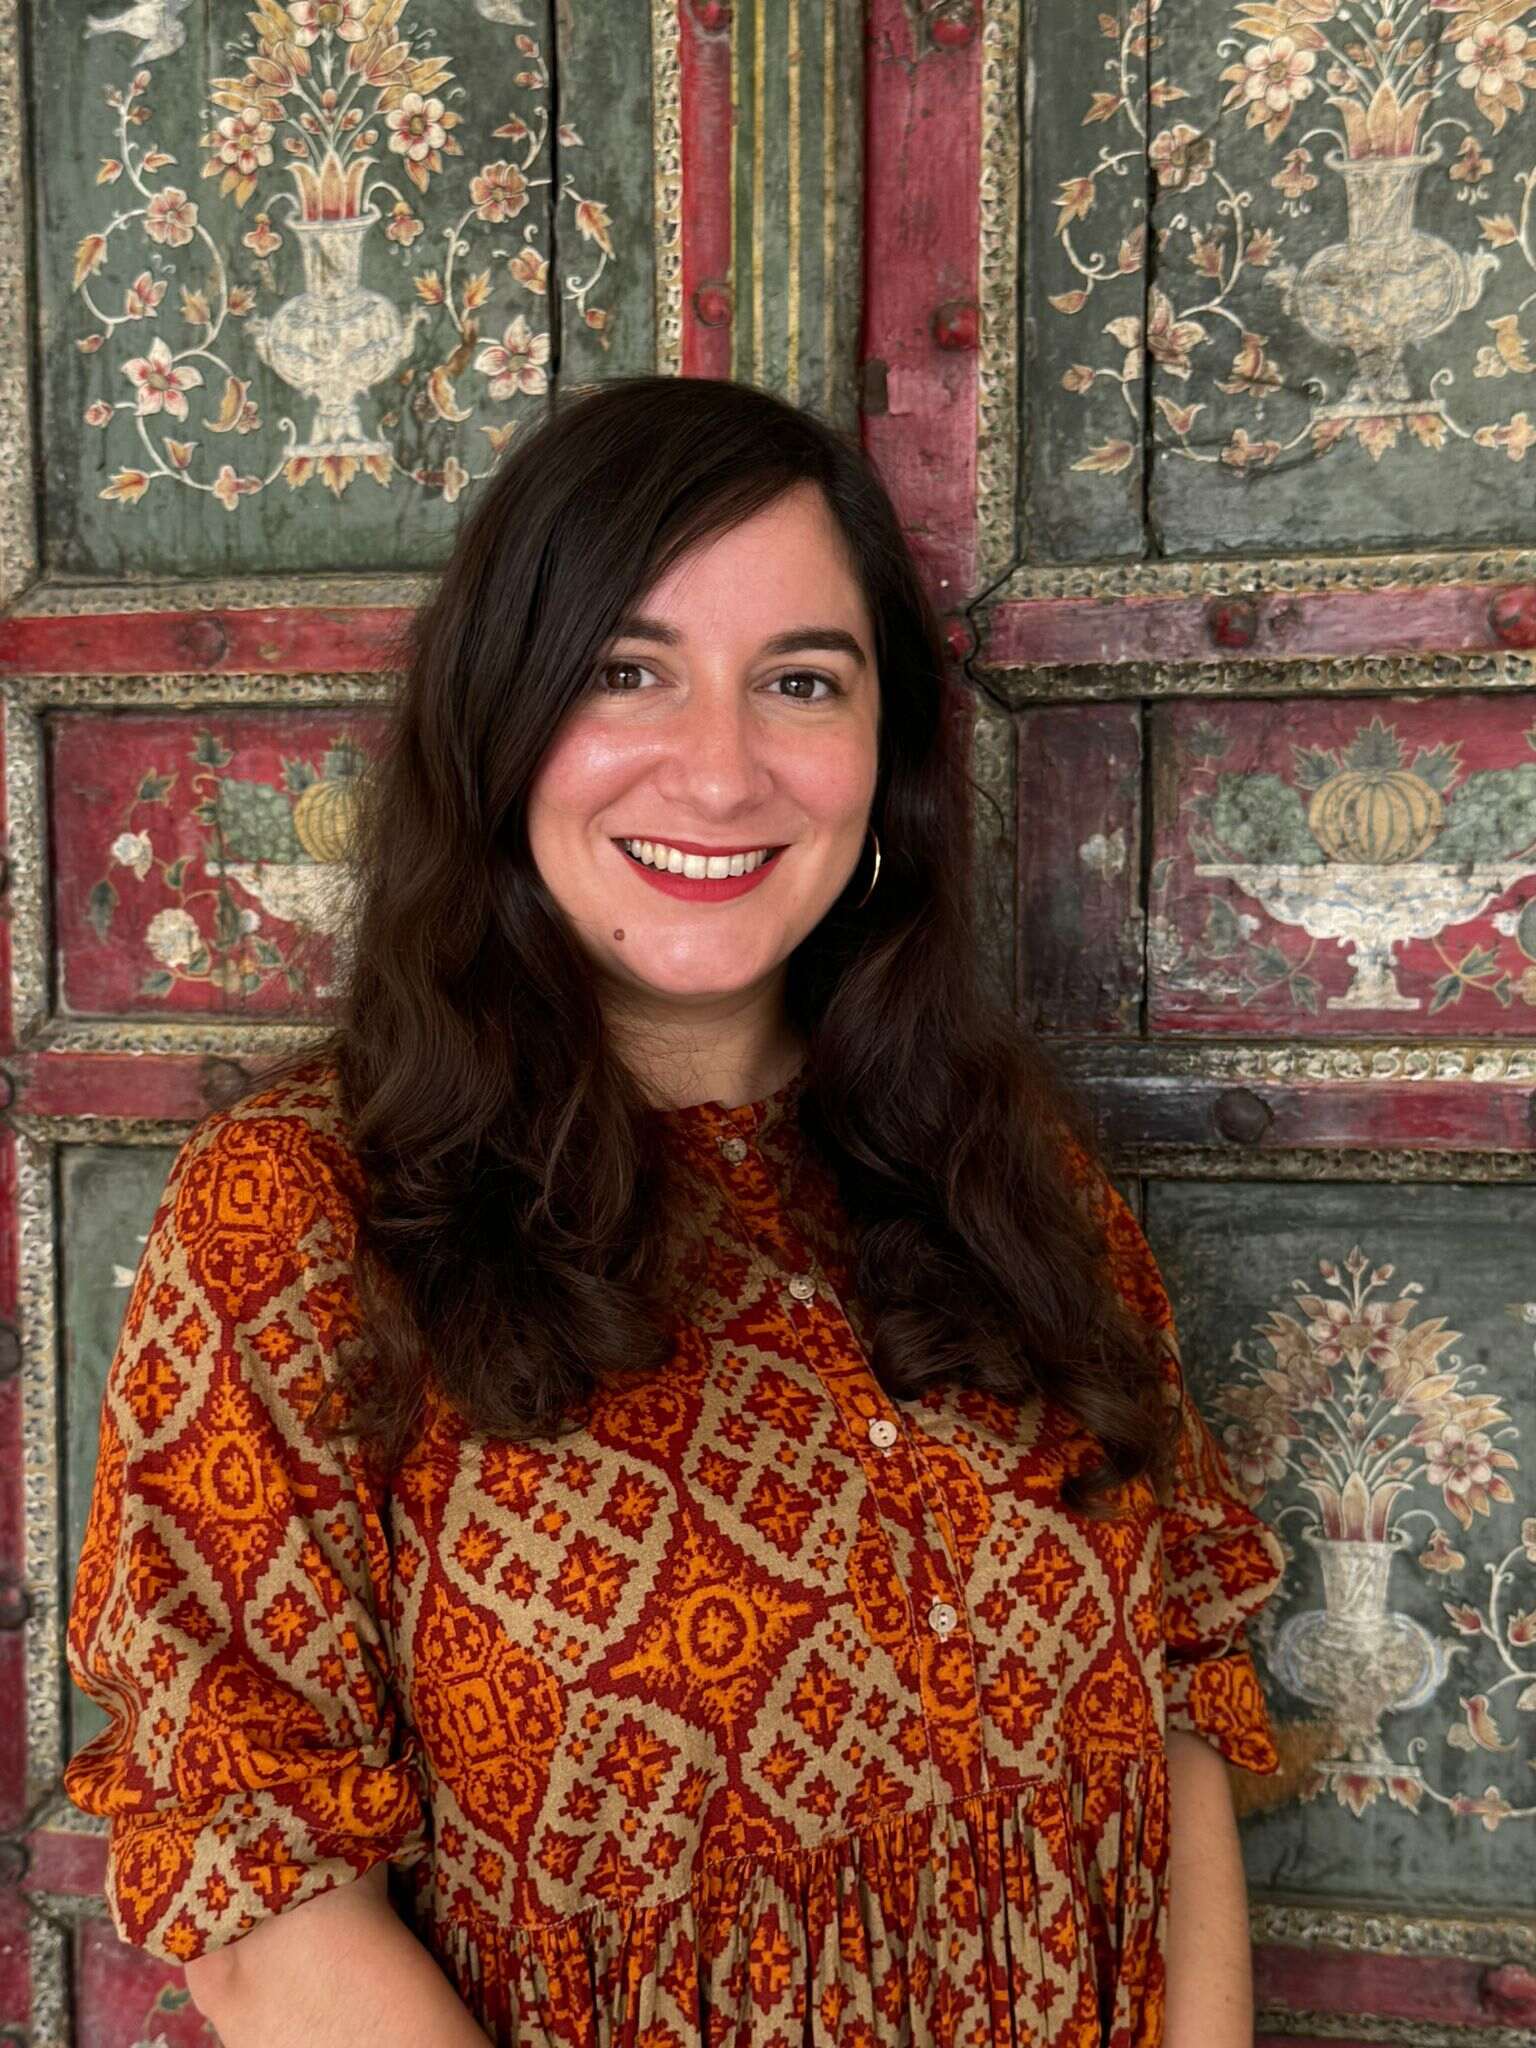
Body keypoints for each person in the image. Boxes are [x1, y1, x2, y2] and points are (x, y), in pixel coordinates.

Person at [64, 375, 1286, 2047]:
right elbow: (260, 1889)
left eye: (801, 681)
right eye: (627, 672)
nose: (719, 774)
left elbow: (1181, 1694)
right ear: (499, 721)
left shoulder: (1008, 1171)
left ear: (885, 754)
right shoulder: (302, 1211)